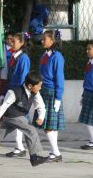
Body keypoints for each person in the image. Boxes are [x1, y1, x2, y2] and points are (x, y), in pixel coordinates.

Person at [0, 72, 48, 169]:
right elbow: (3, 106)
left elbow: (41, 106)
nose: (40, 88)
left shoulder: (35, 93)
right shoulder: (14, 92)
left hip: (16, 118)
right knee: (30, 129)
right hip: (12, 116)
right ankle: (34, 157)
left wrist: (41, 117)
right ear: (30, 86)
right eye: (39, 86)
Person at [32, 29, 65, 162]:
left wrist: (58, 97)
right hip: (43, 91)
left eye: (44, 39)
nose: (42, 40)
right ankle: (54, 152)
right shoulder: (45, 55)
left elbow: (59, 78)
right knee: (49, 125)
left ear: (52, 41)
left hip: (51, 93)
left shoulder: (57, 57)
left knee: (48, 126)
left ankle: (56, 153)